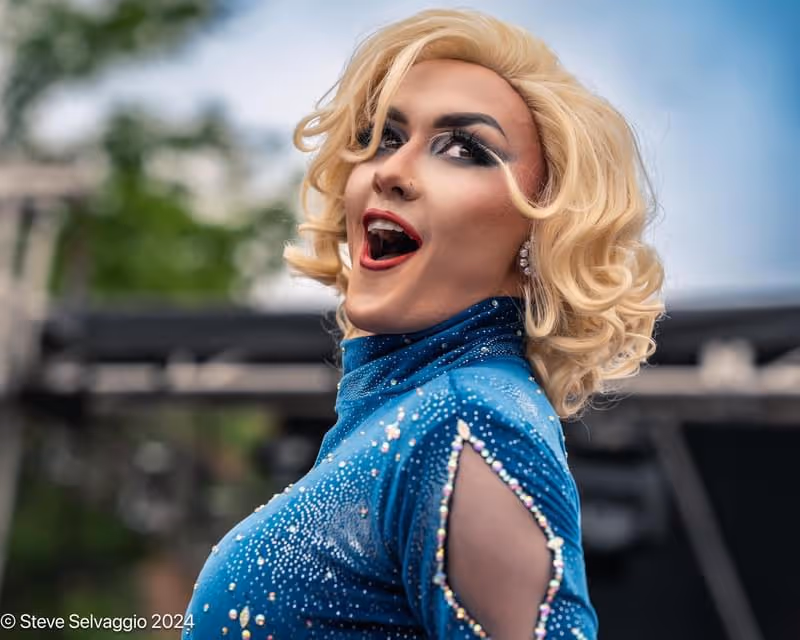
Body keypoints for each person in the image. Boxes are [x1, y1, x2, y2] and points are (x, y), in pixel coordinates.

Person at [183, 8, 664, 639]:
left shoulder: (467, 421)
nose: (391, 170)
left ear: (539, 233)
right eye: (384, 136)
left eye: (463, 148)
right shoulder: (404, 422)